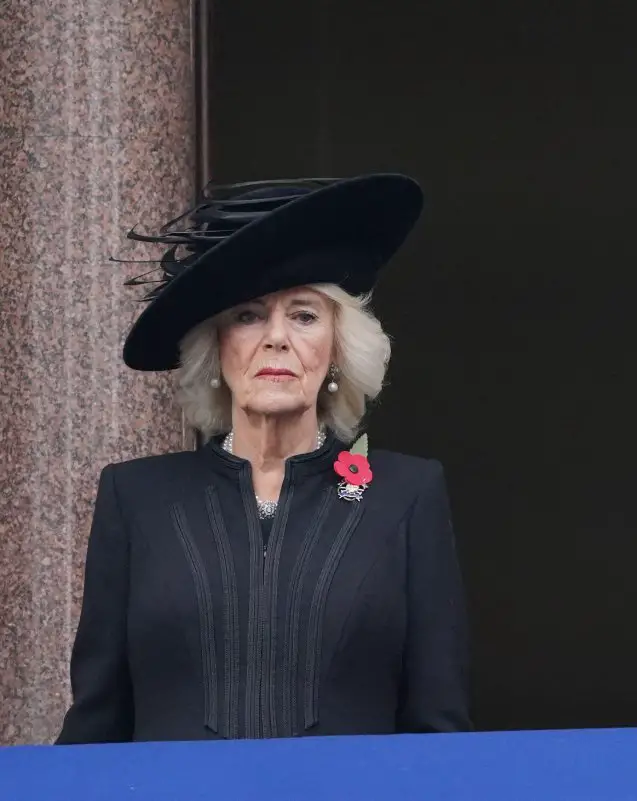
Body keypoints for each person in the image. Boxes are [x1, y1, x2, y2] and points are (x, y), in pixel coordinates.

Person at [57, 175, 470, 743]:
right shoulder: (137, 499)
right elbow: (95, 726)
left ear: (336, 350)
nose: (276, 338)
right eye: (248, 315)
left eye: (304, 315)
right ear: (216, 347)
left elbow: (437, 727)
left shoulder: (405, 494)